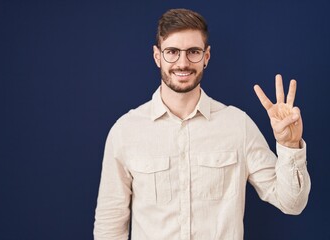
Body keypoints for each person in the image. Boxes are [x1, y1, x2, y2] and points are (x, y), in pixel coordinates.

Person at [93, 8, 311, 240]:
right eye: (172, 52)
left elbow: (292, 203)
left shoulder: (238, 126)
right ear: (157, 56)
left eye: (193, 52)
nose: (183, 62)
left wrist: (289, 144)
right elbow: (110, 225)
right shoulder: (125, 131)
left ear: (206, 57)